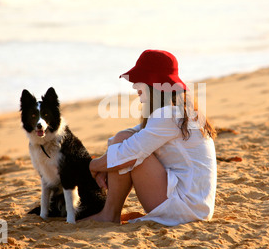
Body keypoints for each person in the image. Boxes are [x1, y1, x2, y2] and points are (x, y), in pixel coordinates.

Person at [85, 50, 217, 226]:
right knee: (125, 139)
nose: (134, 87)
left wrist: (92, 166)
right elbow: (128, 137)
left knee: (128, 149)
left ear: (153, 83)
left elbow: (129, 151)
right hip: (195, 205)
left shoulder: (170, 114)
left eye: (139, 80)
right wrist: (105, 162)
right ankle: (110, 212)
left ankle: (109, 214)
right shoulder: (180, 110)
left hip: (185, 208)